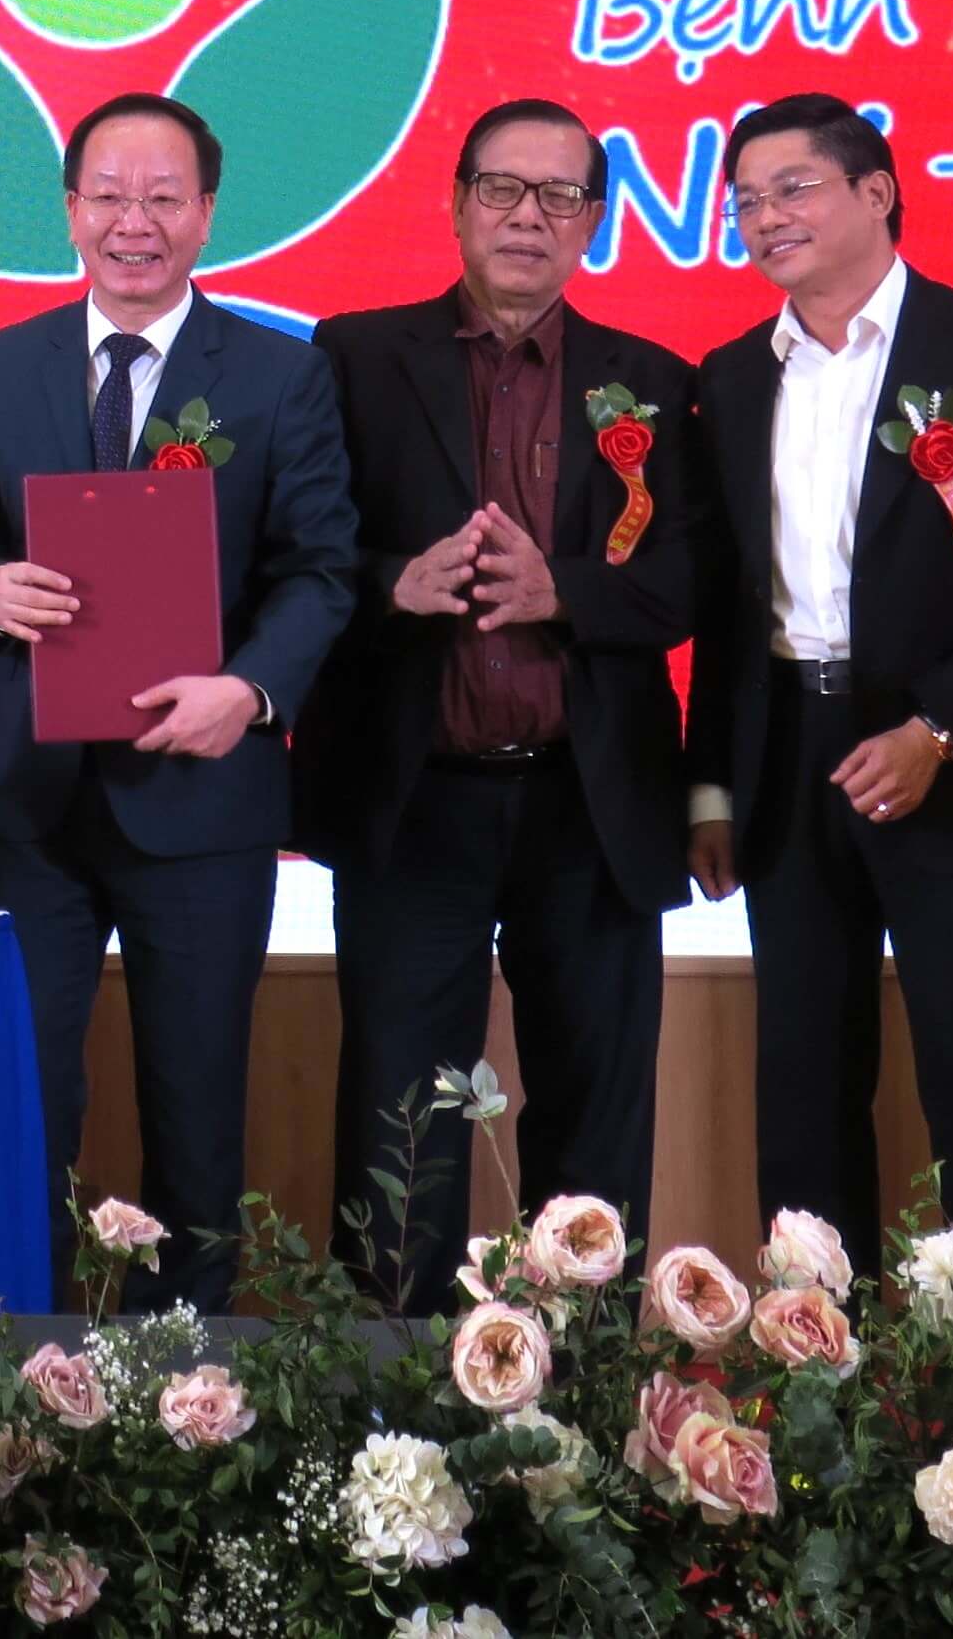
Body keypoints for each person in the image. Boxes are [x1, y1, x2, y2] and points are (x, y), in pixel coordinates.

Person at [0, 91, 357, 1313]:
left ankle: (189, 1376)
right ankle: (17, 1352)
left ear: (207, 213)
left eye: (163, 197)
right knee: (22, 1092)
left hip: (203, 792)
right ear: (71, 209)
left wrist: (251, 688)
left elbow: (321, 568)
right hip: (32, 796)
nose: (135, 222)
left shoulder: (279, 375)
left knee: (196, 1100)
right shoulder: (3, 362)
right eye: (110, 196)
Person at [296, 99, 695, 1311]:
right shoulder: (352, 357)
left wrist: (563, 589)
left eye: (560, 194)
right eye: (503, 189)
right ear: (458, 201)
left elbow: (693, 581)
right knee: (399, 1123)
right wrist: (392, 581)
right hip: (417, 799)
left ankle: (584, 1384)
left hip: (590, 803)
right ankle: (387, 1396)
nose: (529, 216)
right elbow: (296, 546)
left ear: (596, 219)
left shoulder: (653, 381)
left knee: (595, 1124)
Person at [686, 92, 953, 1260]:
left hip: (946, 756)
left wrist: (939, 729)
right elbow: (724, 604)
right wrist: (711, 788)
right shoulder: (732, 374)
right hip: (787, 757)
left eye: (793, 188)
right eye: (745, 201)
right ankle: (820, 1345)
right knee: (803, 1081)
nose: (767, 217)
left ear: (877, 192)